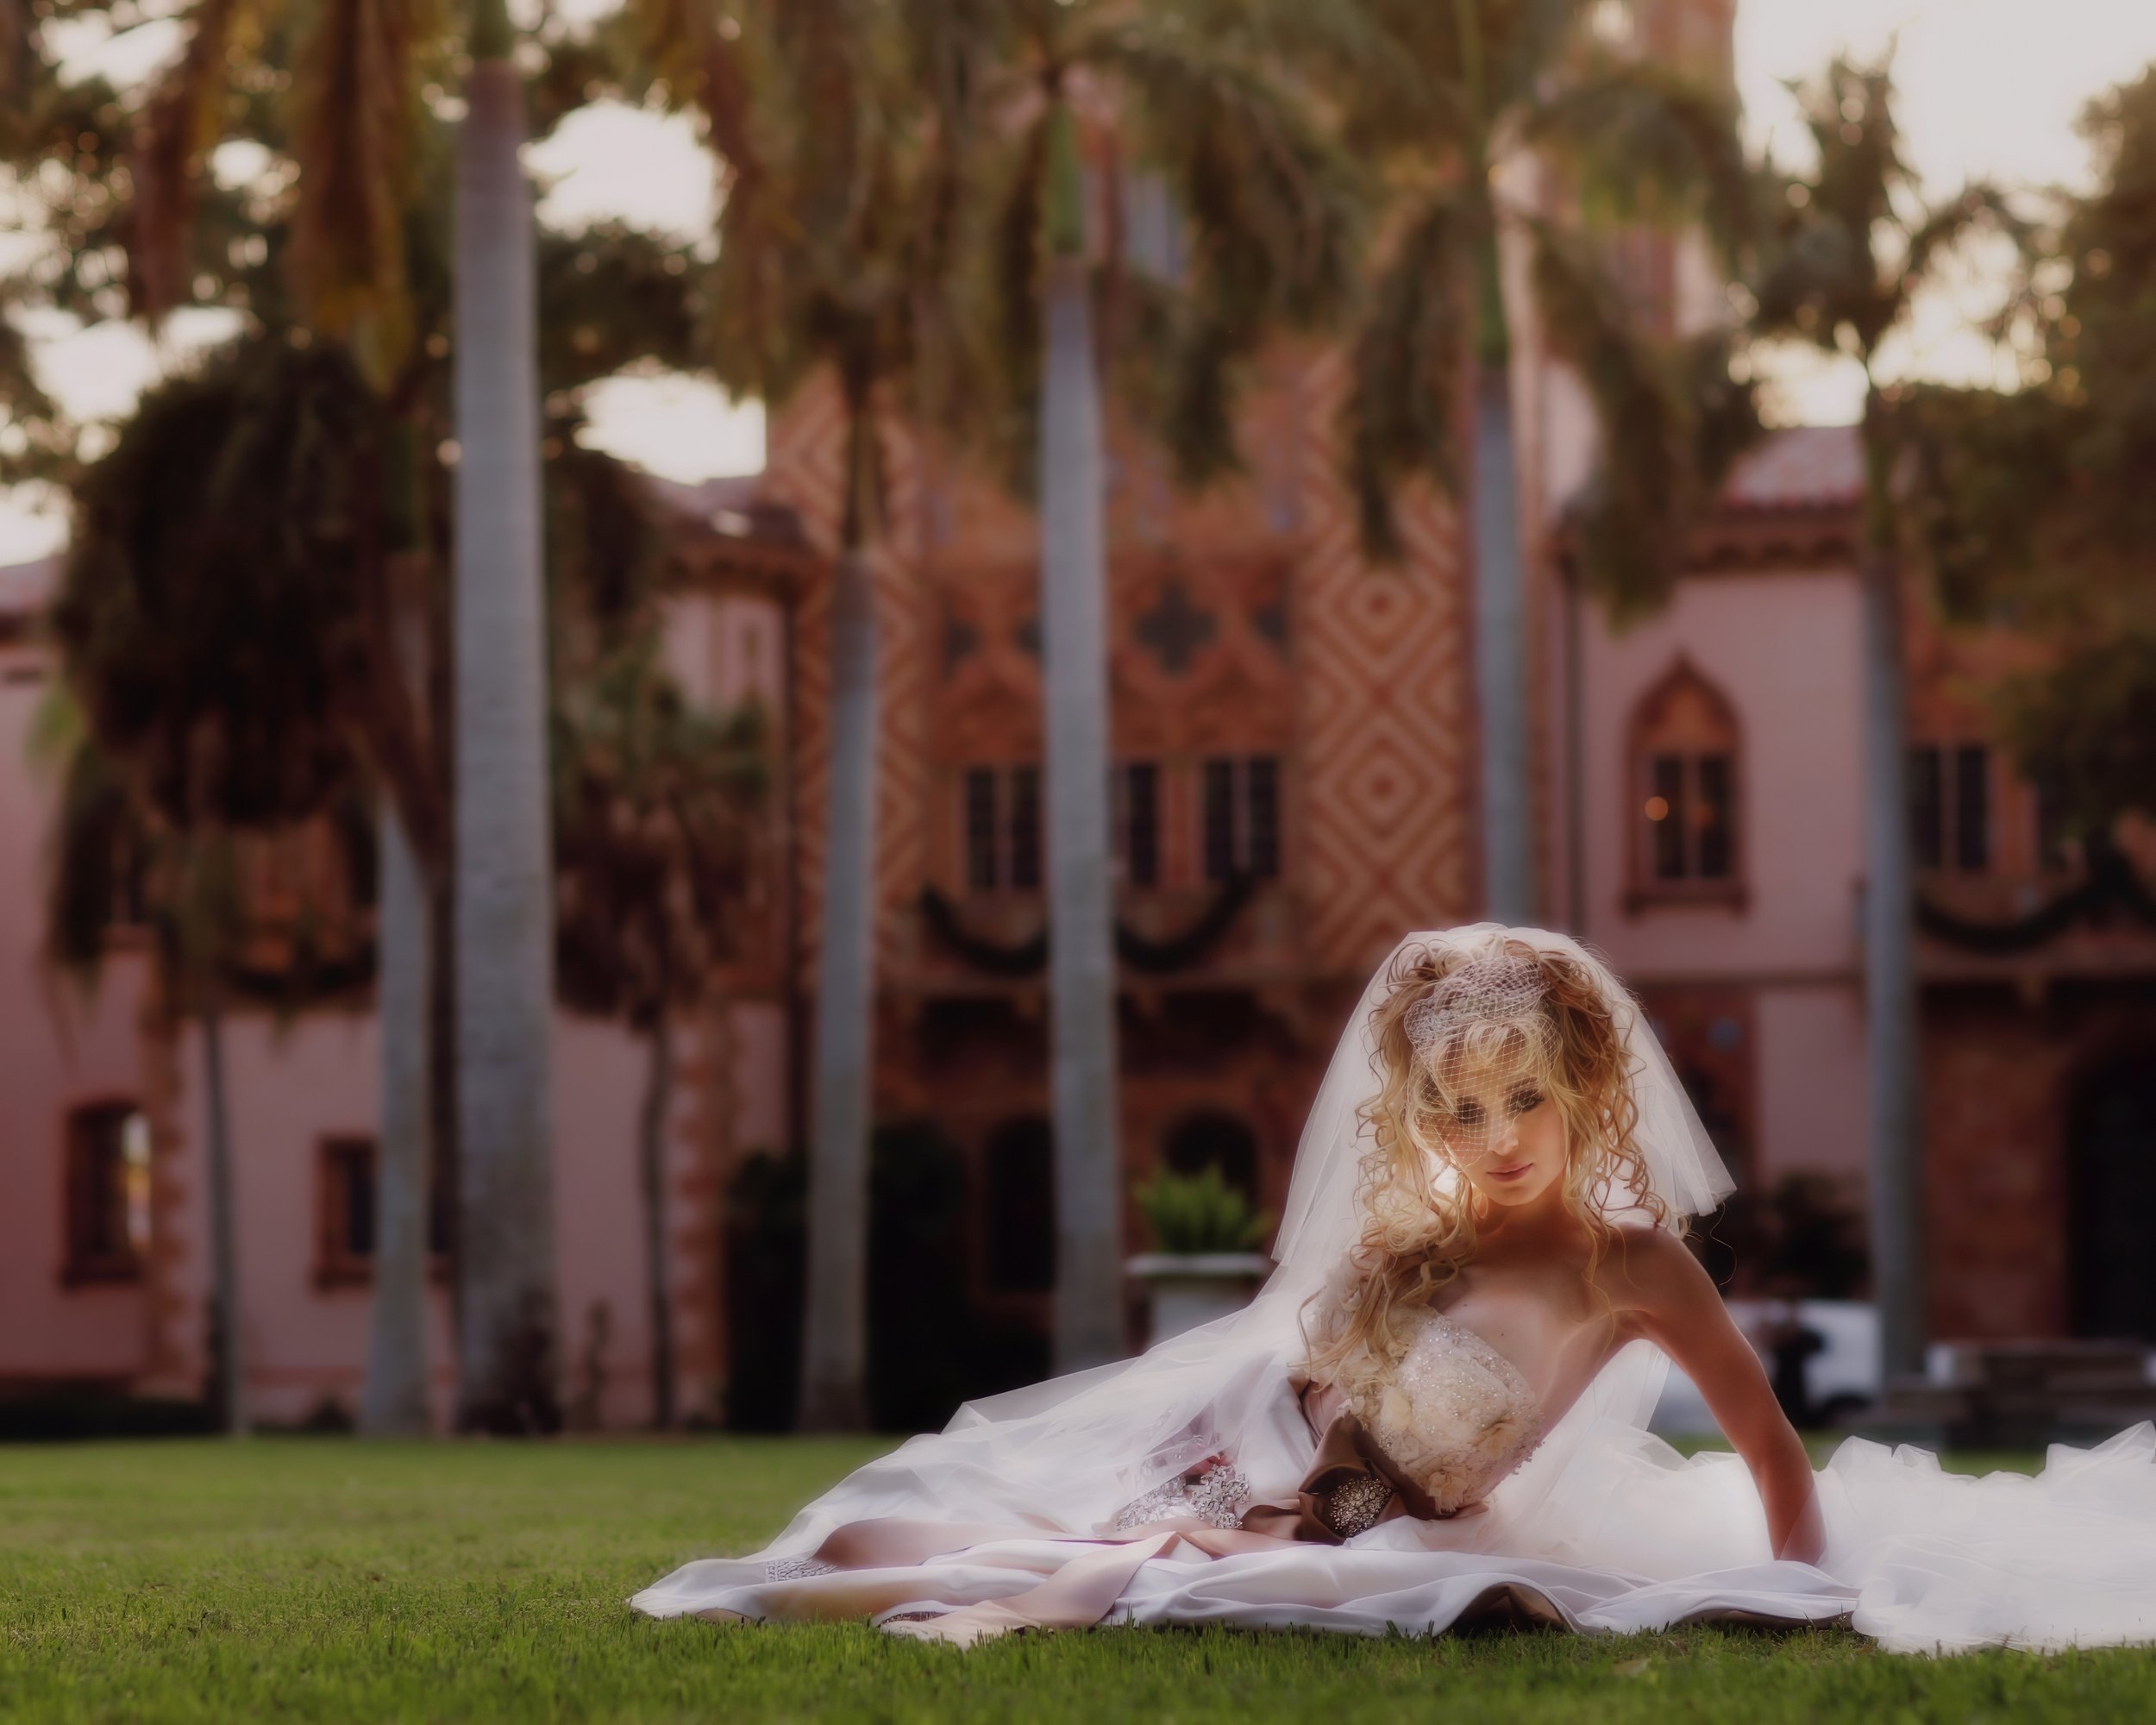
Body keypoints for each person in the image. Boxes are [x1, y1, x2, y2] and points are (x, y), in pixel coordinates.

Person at [632, 925, 2156, 1653]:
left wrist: (1806, 1587)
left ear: (1582, 1098)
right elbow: (1291, 1400)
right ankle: (871, 1581)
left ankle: (993, 1594)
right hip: (1315, 1500)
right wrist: (1251, 1487)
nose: (1495, 1145)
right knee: (1015, 1533)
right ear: (1424, 1120)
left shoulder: (1635, 1265)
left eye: (1524, 1107)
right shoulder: (1411, 1248)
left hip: (1430, 1533)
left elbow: (1764, 1450)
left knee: (1199, 1585)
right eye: (1459, 1114)